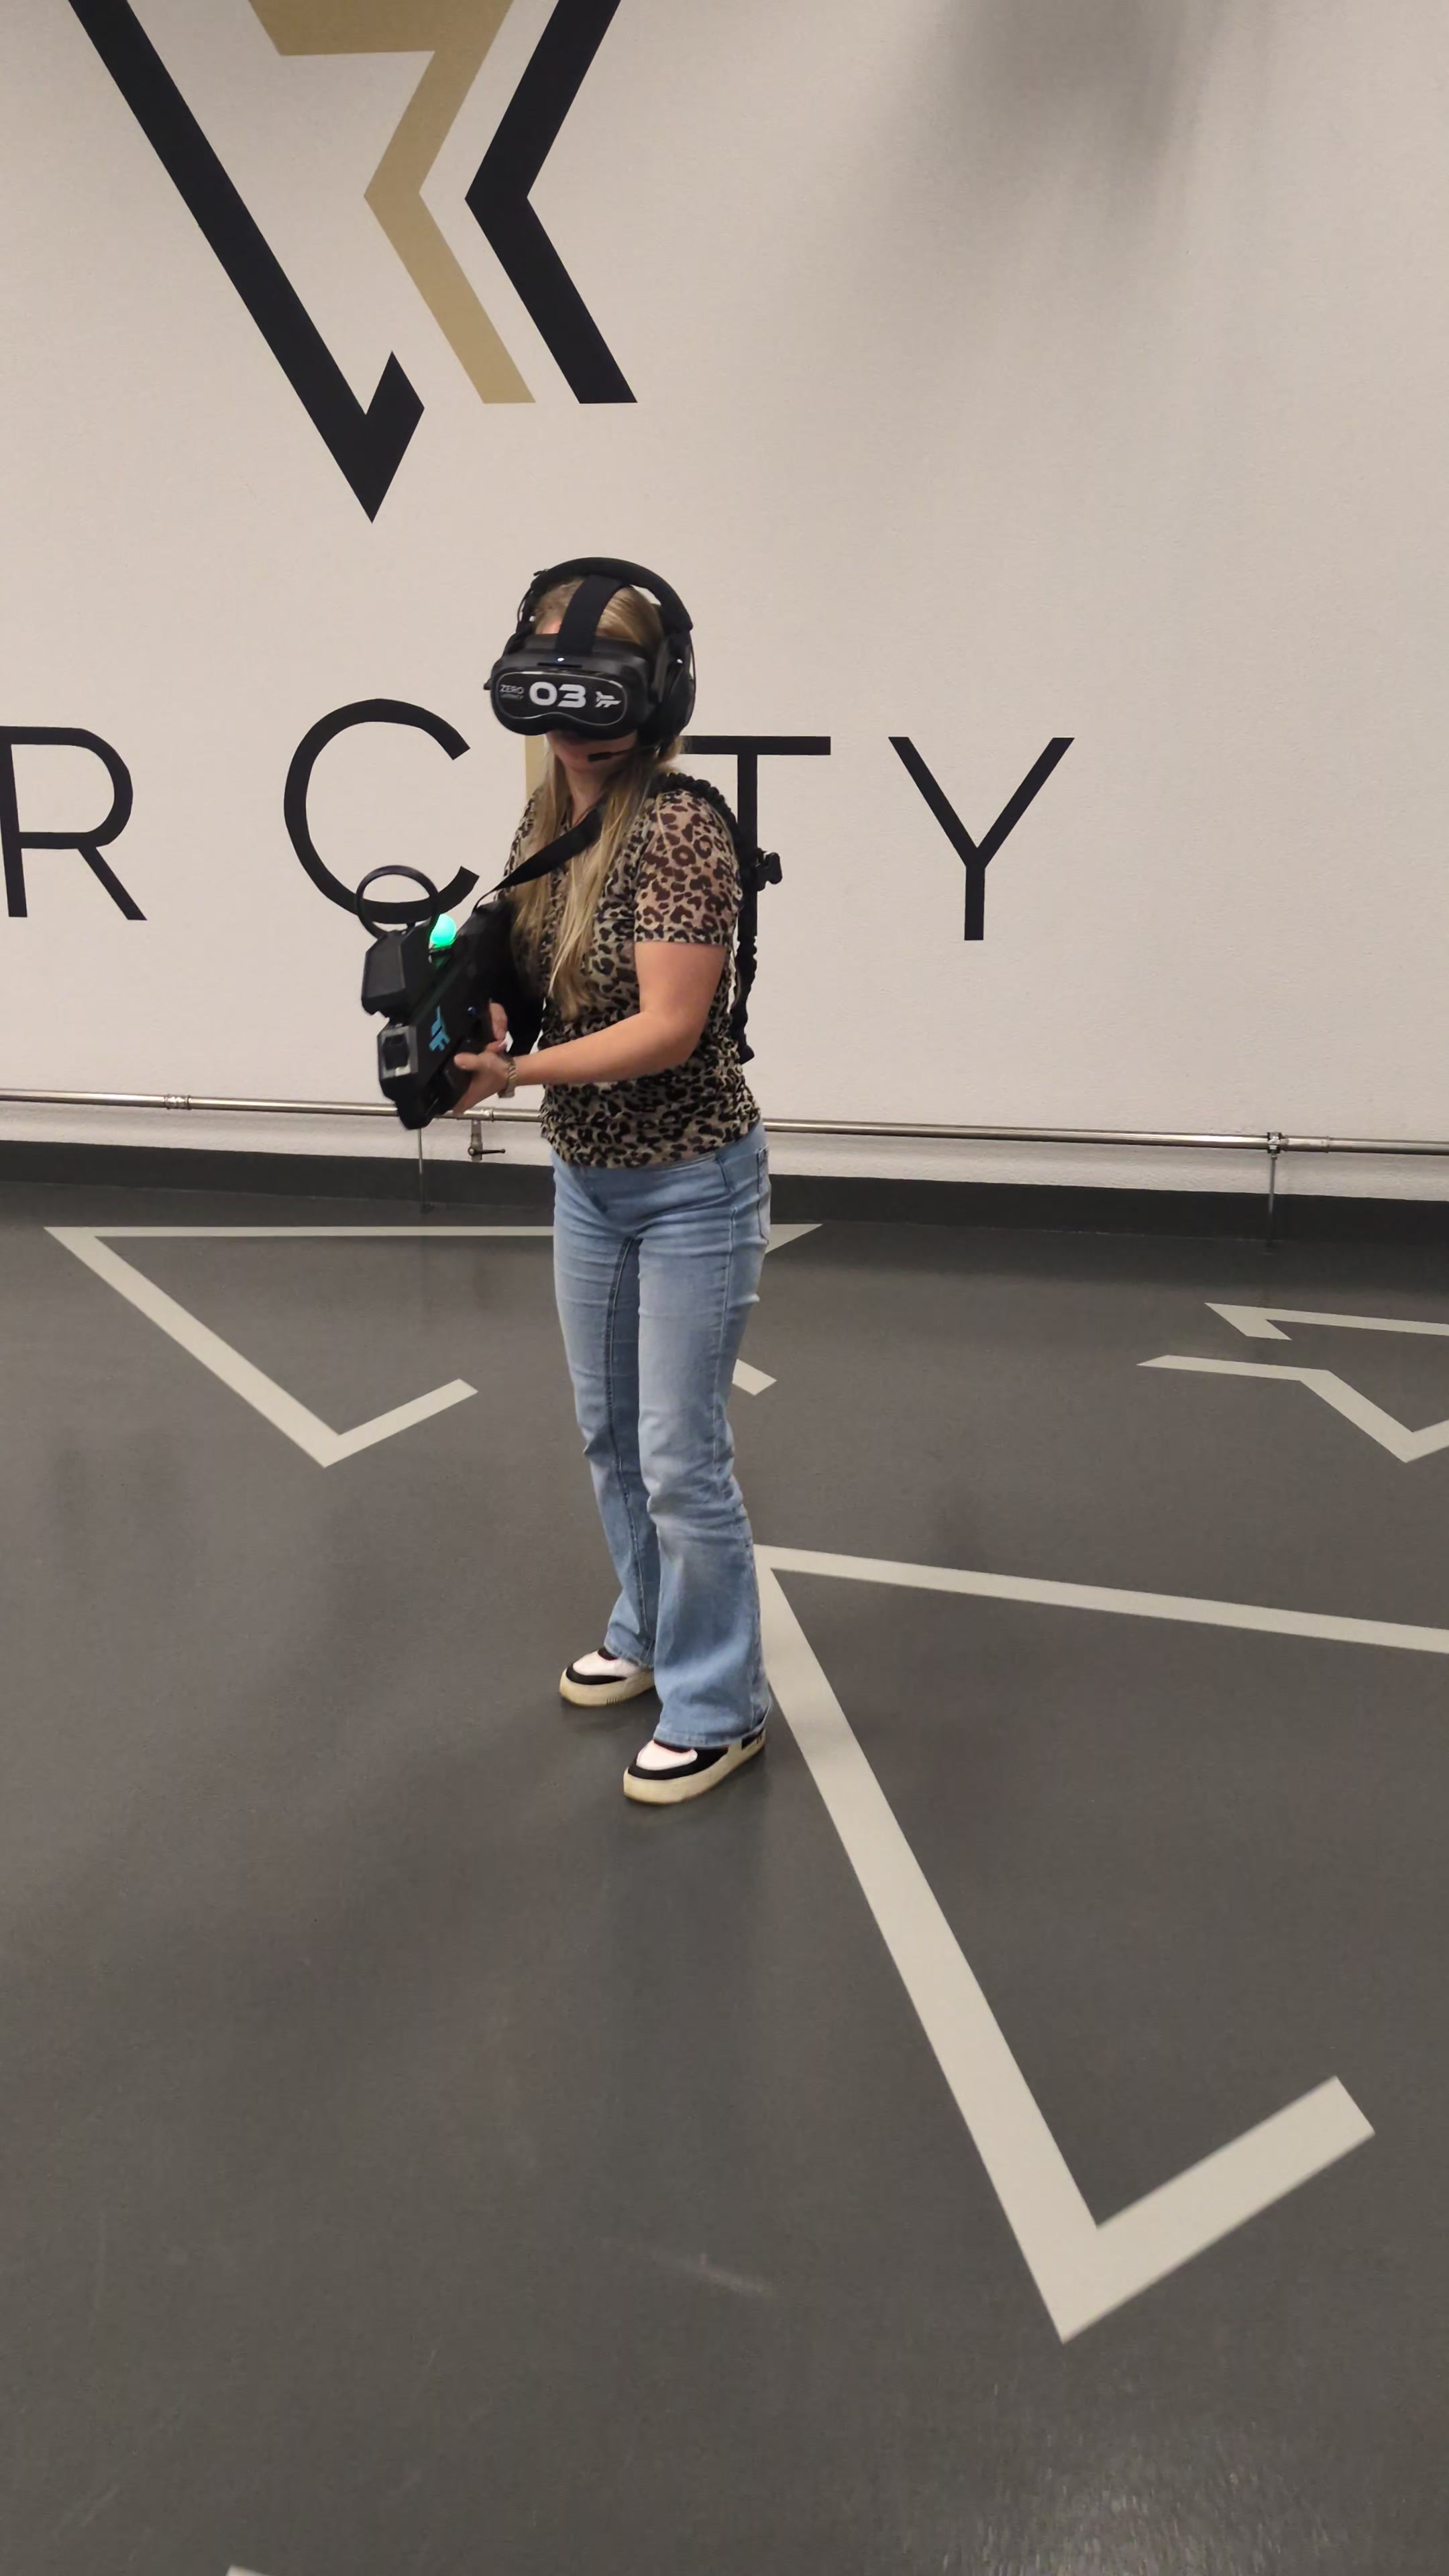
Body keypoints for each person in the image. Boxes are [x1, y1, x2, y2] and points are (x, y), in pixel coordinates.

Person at [452, 572, 771, 1807]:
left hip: (692, 1181)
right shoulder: (547, 816)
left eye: (599, 703)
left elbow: (669, 1029)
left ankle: (721, 1707)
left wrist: (515, 1073)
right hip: (588, 1179)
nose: (575, 732)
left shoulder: (679, 826)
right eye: (552, 698)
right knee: (611, 1436)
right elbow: (531, 969)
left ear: (656, 699)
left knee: (681, 1456)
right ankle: (646, 1629)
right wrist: (474, 1019)